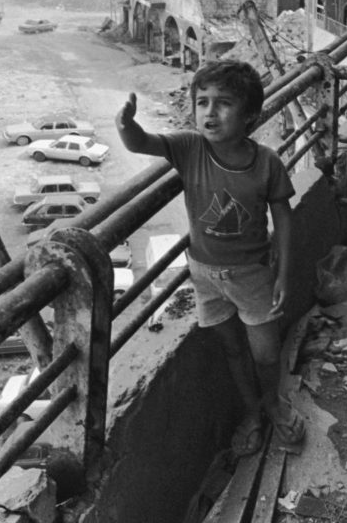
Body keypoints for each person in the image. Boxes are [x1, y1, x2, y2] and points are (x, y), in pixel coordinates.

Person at [115, 59, 306, 456]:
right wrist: (126, 124)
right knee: (232, 348)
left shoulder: (266, 162)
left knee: (266, 353)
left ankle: (273, 402)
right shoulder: (189, 147)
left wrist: (284, 275)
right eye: (202, 102)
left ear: (250, 115)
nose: (209, 112)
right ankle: (252, 412)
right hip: (203, 273)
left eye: (223, 103)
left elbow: (284, 221)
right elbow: (140, 143)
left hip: (253, 275)